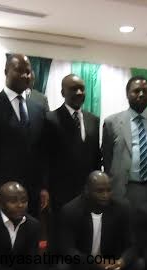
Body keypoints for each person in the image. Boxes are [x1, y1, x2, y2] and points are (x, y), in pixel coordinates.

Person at [55, 171, 141, 270]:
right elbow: (67, 249)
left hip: (111, 265)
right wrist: (94, 262)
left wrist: (121, 262)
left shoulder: (122, 208)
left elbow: (133, 245)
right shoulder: (70, 210)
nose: (105, 195)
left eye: (108, 190)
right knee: (63, 267)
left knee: (138, 264)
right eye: (100, 191)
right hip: (83, 263)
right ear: (87, 190)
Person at [0, 53, 49, 217]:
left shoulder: (38, 108)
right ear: (6, 71)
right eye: (19, 70)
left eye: (28, 72)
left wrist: (43, 186)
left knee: (30, 239)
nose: (25, 75)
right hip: (3, 192)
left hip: (32, 193)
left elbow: (42, 151)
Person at [45, 74, 101, 250]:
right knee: (60, 238)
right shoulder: (50, 119)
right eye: (73, 88)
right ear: (62, 92)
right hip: (60, 193)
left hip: (87, 192)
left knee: (84, 237)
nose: (78, 92)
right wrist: (45, 188)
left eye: (82, 89)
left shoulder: (93, 119)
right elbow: (44, 158)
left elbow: (95, 156)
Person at [102, 75, 147, 208]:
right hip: (124, 188)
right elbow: (107, 157)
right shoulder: (112, 122)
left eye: (145, 91)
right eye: (136, 91)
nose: (141, 94)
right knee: (125, 228)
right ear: (127, 94)